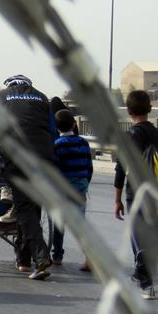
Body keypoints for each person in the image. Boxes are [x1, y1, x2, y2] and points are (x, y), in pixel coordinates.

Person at [114, 90, 158, 300]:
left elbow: (121, 169)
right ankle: (141, 273)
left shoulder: (128, 137)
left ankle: (146, 282)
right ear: (149, 109)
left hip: (137, 193)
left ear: (128, 111)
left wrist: (117, 199)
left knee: (138, 237)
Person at [0, 74, 56, 280]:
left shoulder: (1, 97)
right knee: (33, 207)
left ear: (10, 84)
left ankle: (40, 257)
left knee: (23, 209)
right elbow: (54, 132)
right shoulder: (42, 98)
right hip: (43, 157)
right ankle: (23, 259)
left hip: (18, 156)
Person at [50, 109, 93, 271]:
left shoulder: (57, 145)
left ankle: (57, 255)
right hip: (80, 188)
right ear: (75, 124)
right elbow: (89, 167)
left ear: (56, 128)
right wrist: (84, 183)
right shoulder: (83, 143)